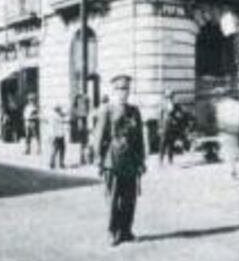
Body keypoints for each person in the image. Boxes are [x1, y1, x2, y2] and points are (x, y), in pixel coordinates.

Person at [96, 75, 146, 246]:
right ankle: (112, 231)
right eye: (120, 89)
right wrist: (99, 160)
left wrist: (141, 160)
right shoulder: (107, 110)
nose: (123, 92)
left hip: (130, 160)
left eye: (126, 89)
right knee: (113, 198)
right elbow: (99, 137)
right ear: (114, 90)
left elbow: (139, 138)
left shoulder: (134, 111)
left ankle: (126, 231)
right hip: (113, 160)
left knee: (129, 198)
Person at [214, 86, 239, 179]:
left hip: (225, 130)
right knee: (231, 151)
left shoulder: (221, 105)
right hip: (235, 131)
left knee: (227, 152)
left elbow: (219, 120)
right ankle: (232, 170)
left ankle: (231, 172)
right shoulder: (237, 104)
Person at [158, 89, 186, 166]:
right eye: (167, 96)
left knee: (170, 144)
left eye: (170, 96)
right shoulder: (163, 105)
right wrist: (159, 128)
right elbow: (160, 117)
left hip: (172, 127)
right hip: (164, 126)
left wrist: (177, 118)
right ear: (165, 97)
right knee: (162, 144)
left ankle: (170, 160)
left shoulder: (176, 105)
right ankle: (160, 160)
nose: (169, 98)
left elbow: (181, 114)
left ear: (173, 97)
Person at [70, 93, 90, 166]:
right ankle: (79, 159)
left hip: (79, 128)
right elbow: (80, 117)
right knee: (79, 144)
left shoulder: (77, 108)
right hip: (78, 129)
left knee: (82, 144)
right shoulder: (77, 109)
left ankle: (82, 159)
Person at [47, 104, 68, 169]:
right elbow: (63, 118)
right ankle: (59, 163)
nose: (60, 110)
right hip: (57, 135)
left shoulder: (54, 116)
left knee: (56, 150)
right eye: (59, 109)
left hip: (58, 135)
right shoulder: (56, 116)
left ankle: (53, 163)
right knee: (59, 150)